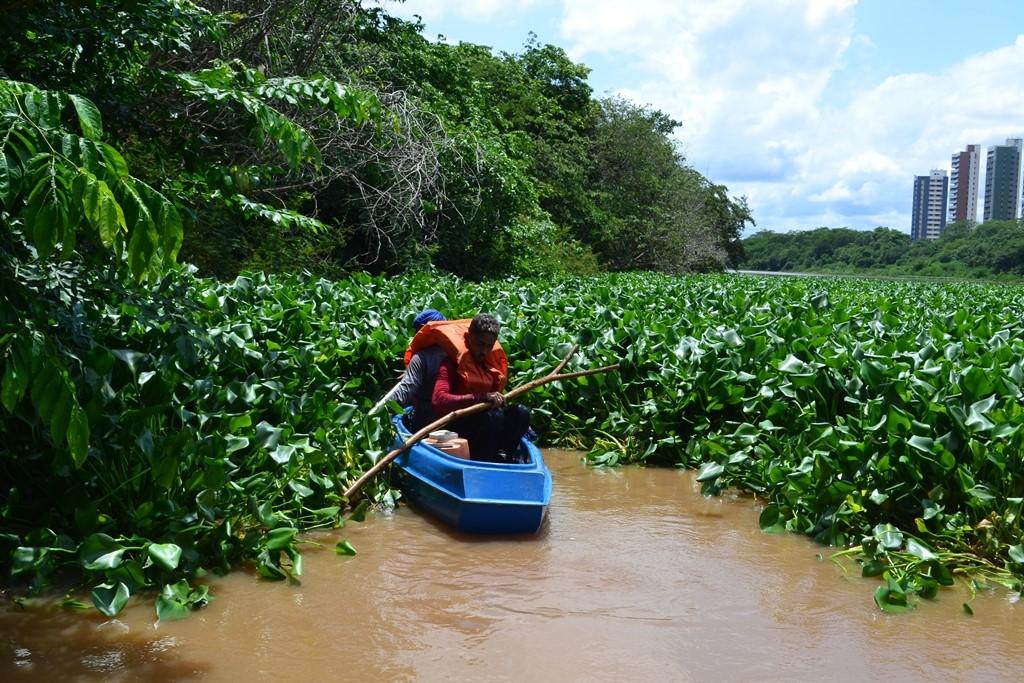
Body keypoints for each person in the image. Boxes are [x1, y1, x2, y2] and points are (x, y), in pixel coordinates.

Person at [427, 313, 530, 463]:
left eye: (489, 346)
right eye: (480, 344)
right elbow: (439, 400)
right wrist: (481, 397)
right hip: (457, 425)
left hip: (487, 427)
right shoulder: (450, 363)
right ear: (469, 338)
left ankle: (503, 455)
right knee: (492, 416)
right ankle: (484, 460)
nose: (484, 351)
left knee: (520, 412)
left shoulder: (490, 364)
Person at [377, 308, 447, 428]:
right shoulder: (458, 352)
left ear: (422, 330)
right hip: (457, 419)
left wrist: (379, 411)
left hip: (426, 421)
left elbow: (404, 393)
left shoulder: (421, 358)